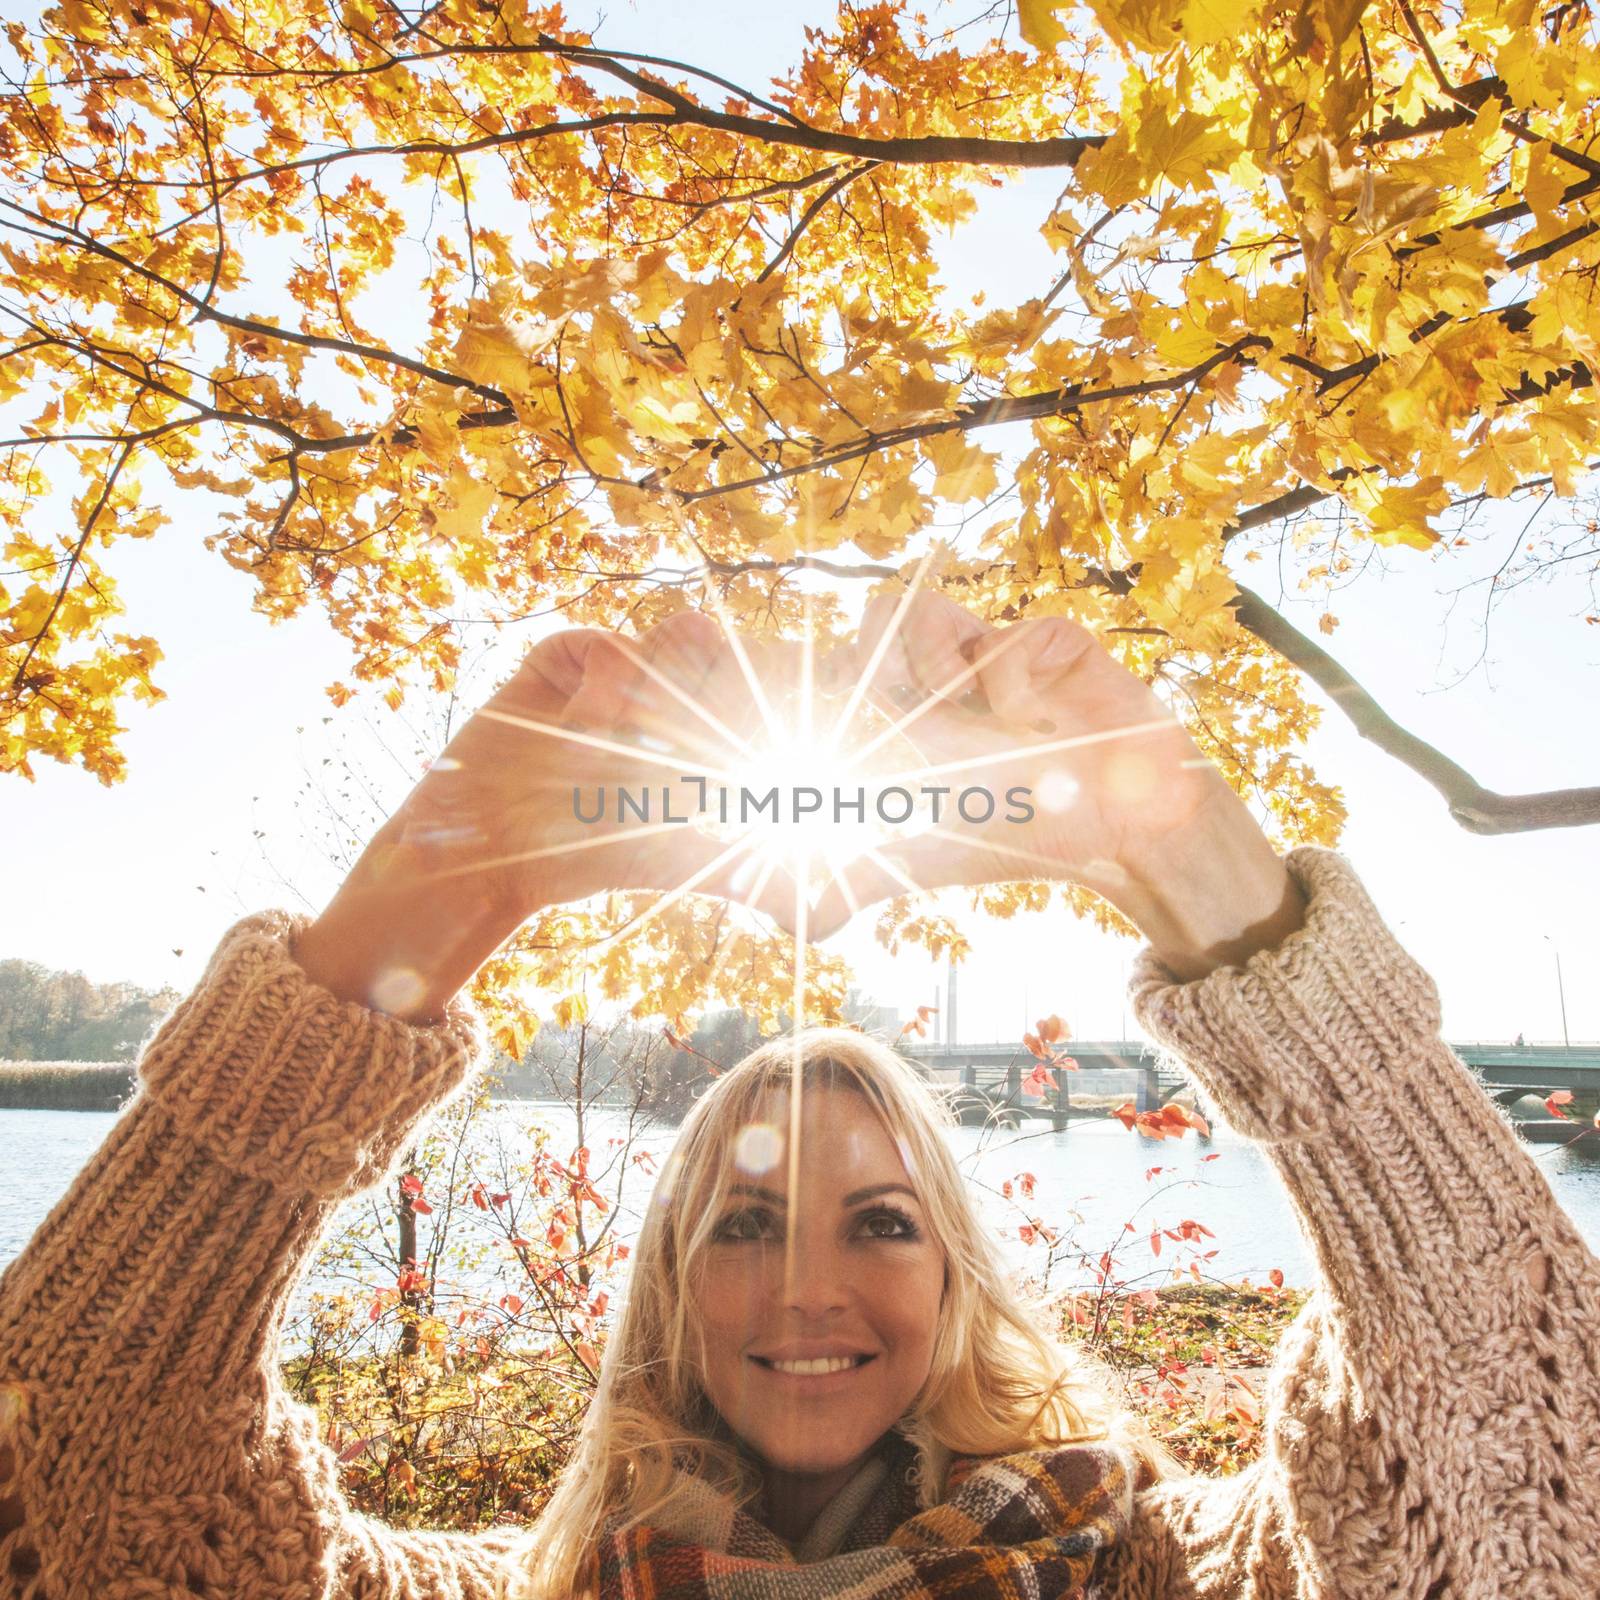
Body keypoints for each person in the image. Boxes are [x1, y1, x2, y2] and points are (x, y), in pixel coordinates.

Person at [1, 593, 1596, 1599]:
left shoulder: (1170, 1574)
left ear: (958, 1277)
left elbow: (1526, 1468)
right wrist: (433, 892)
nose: (811, 1287)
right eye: (748, 1221)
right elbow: (71, 1486)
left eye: (882, 1222)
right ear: (665, 1283)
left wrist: (1182, 853)